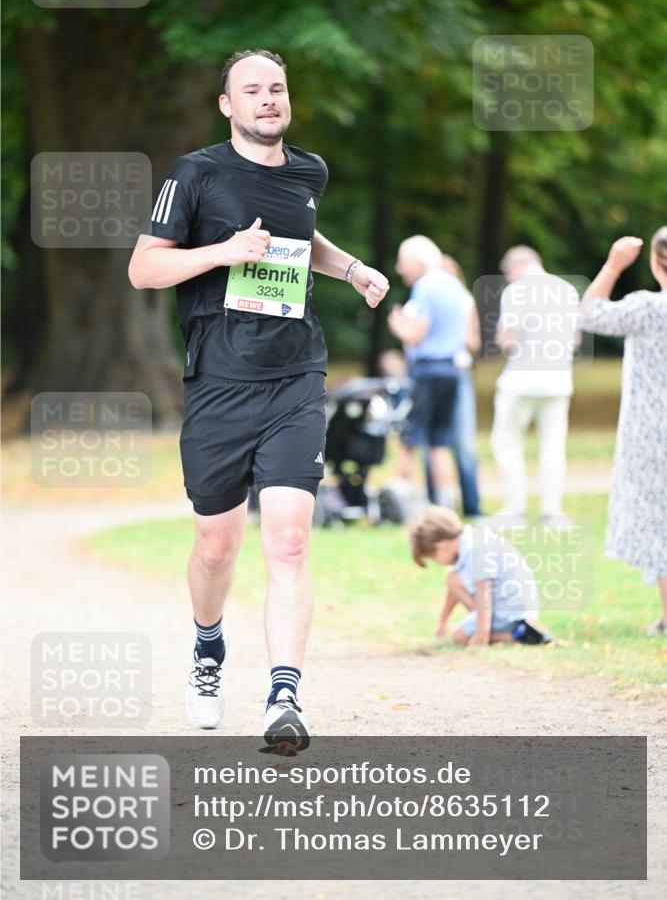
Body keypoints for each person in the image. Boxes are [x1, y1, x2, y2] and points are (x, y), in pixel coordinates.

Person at [128, 49, 389, 747]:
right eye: (252, 90)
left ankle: (283, 698)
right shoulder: (196, 173)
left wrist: (351, 268)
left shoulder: (309, 172)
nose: (268, 99)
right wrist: (221, 253)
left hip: (295, 375)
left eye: (276, 88)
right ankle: (208, 647)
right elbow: (144, 266)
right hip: (217, 381)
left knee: (291, 538)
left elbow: (303, 238)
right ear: (227, 106)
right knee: (216, 547)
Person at [579, 231, 667, 637]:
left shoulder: (648, 309)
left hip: (652, 431)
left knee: (657, 517)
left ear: (656, 263)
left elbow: (591, 314)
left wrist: (613, 265)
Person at [489, 246, 580, 530]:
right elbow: (575, 340)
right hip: (557, 380)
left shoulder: (516, 291)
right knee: (553, 446)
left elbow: (509, 340)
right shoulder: (567, 290)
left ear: (515, 266)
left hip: (520, 379)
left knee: (507, 443)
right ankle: (552, 512)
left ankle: (515, 509)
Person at [387, 236, 469, 509]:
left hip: (426, 371)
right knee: (439, 441)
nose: (401, 269)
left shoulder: (425, 287)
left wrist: (398, 325)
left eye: (404, 262)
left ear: (418, 261)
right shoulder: (454, 284)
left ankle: (400, 502)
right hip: (451, 369)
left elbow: (417, 333)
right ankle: (445, 505)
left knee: (408, 437)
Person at [409, 506, 547, 646]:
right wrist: (442, 622)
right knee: (452, 578)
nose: (437, 563)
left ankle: (519, 635)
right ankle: (512, 632)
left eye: (433, 558)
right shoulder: (469, 540)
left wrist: (482, 636)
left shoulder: (476, 550)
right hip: (507, 607)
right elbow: (453, 587)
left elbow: (484, 594)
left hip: (511, 612)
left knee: (459, 637)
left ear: (441, 547)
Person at [440, 254, 483, 518]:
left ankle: (471, 505)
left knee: (462, 442)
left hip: (458, 372)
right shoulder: (422, 298)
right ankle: (445, 505)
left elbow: (473, 343)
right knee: (440, 442)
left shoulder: (465, 301)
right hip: (446, 372)